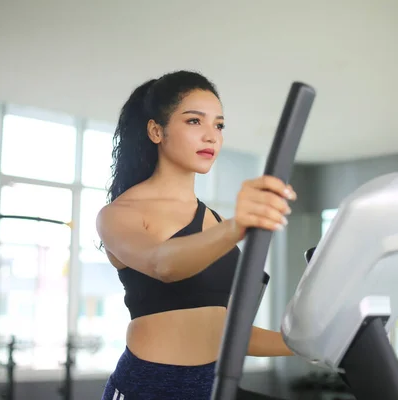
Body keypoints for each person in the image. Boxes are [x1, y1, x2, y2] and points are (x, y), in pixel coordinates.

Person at [96, 70, 296, 399]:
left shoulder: (215, 223)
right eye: (194, 121)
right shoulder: (120, 215)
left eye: (218, 125)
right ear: (156, 131)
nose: (211, 136)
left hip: (212, 386)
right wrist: (237, 227)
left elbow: (228, 334)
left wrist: (306, 345)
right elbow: (163, 265)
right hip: (147, 388)